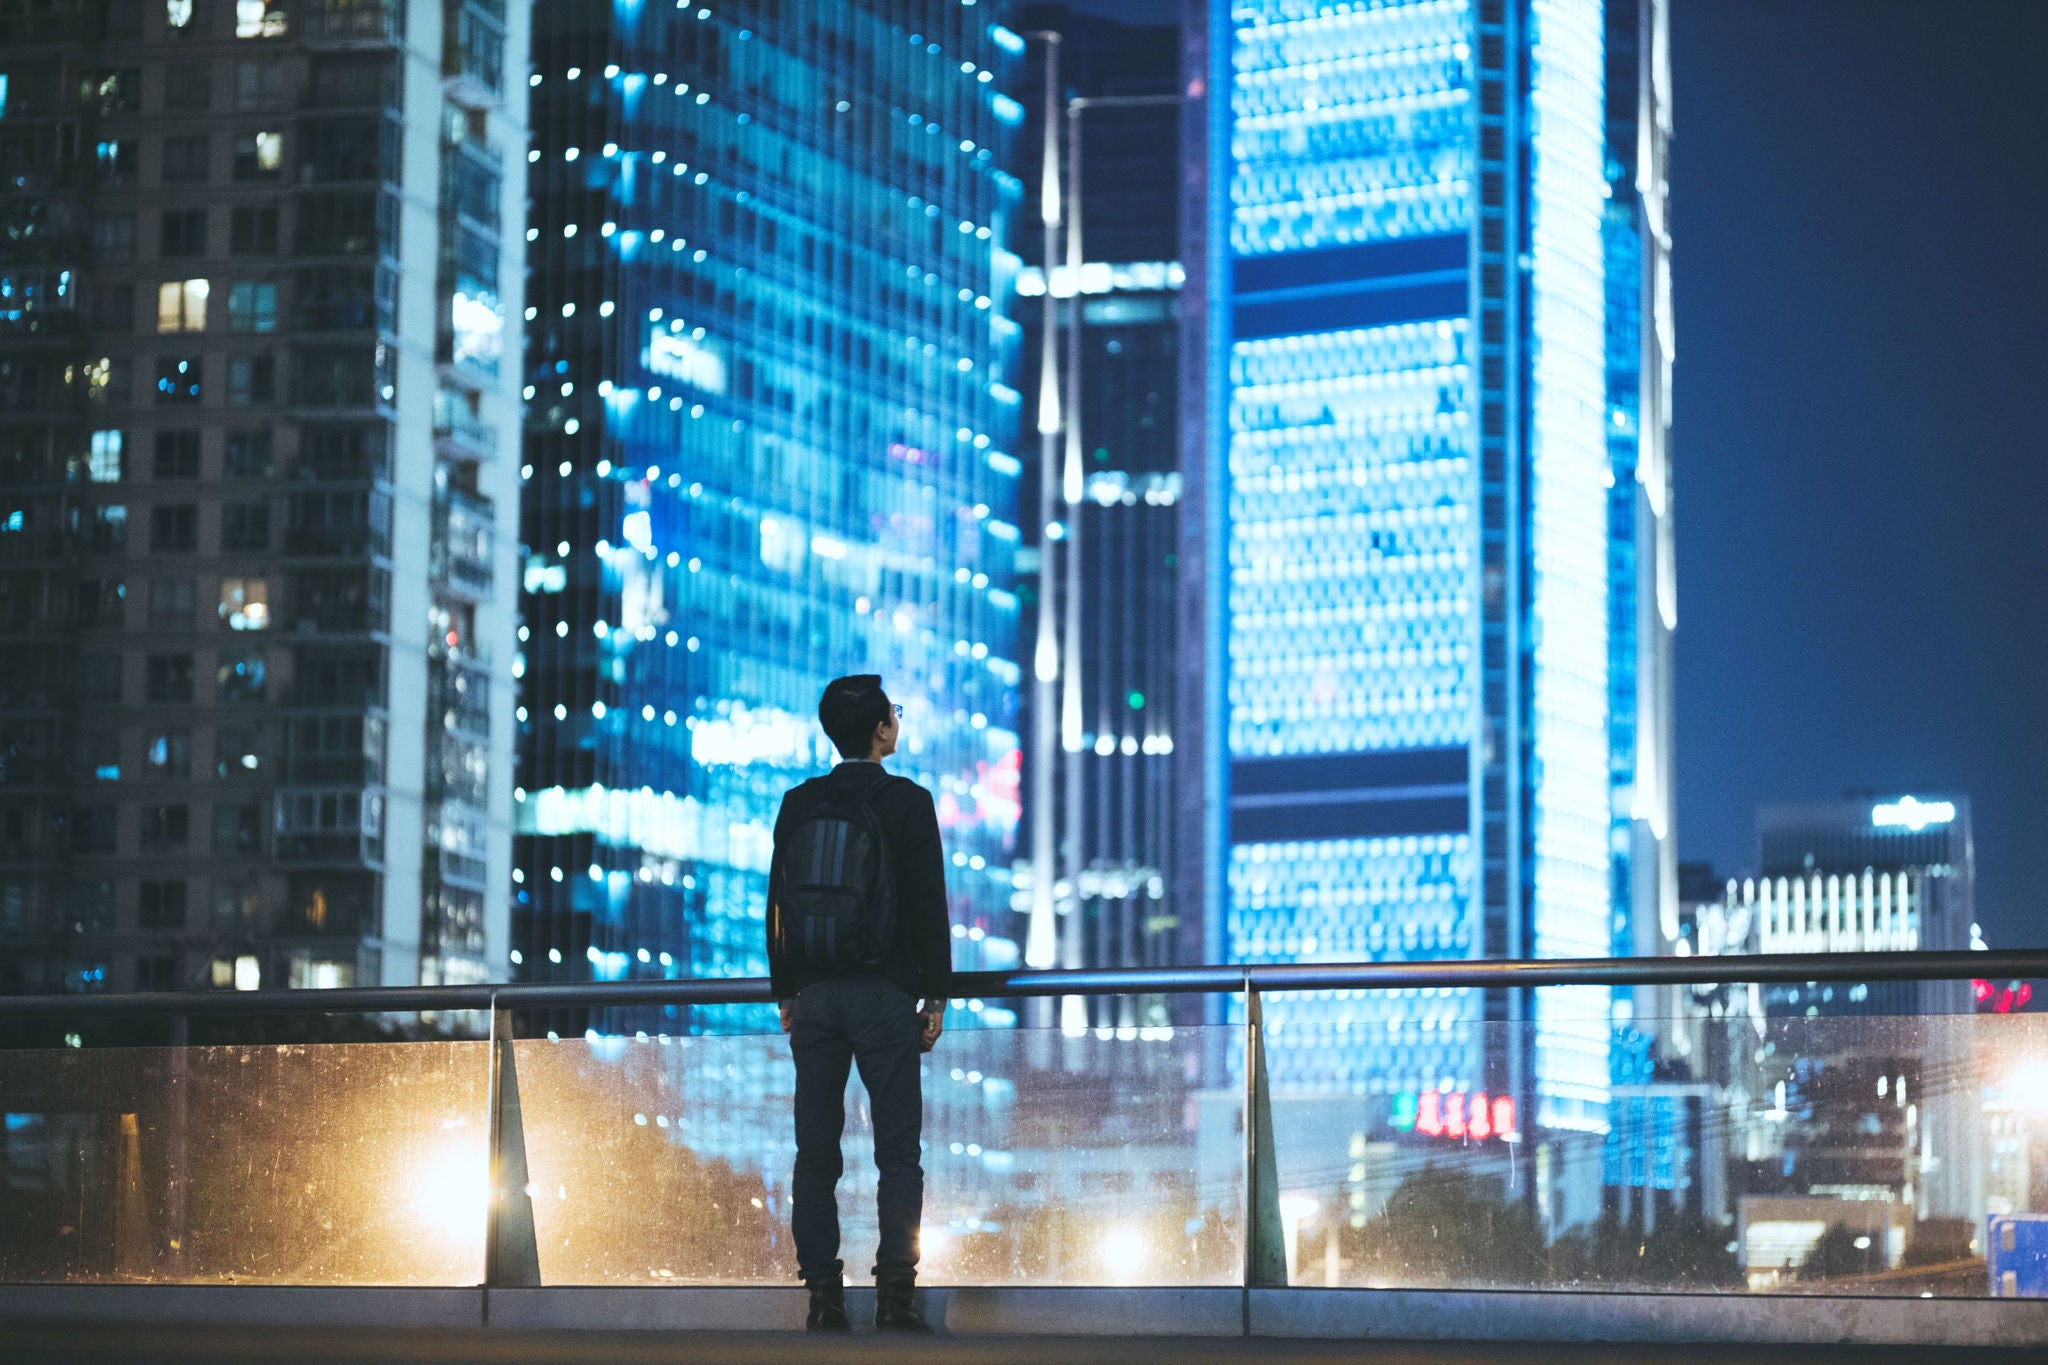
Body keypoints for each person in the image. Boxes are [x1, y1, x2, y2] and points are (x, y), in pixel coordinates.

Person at [767, 675, 951, 1333]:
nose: (895, 722)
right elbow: (929, 904)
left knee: (815, 1150)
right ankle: (896, 1297)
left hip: (814, 996)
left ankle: (823, 1297)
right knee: (897, 1151)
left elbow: (778, 905)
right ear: (880, 730)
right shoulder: (907, 801)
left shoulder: (798, 802)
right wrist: (937, 994)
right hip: (883, 995)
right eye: (892, 715)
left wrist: (786, 990)